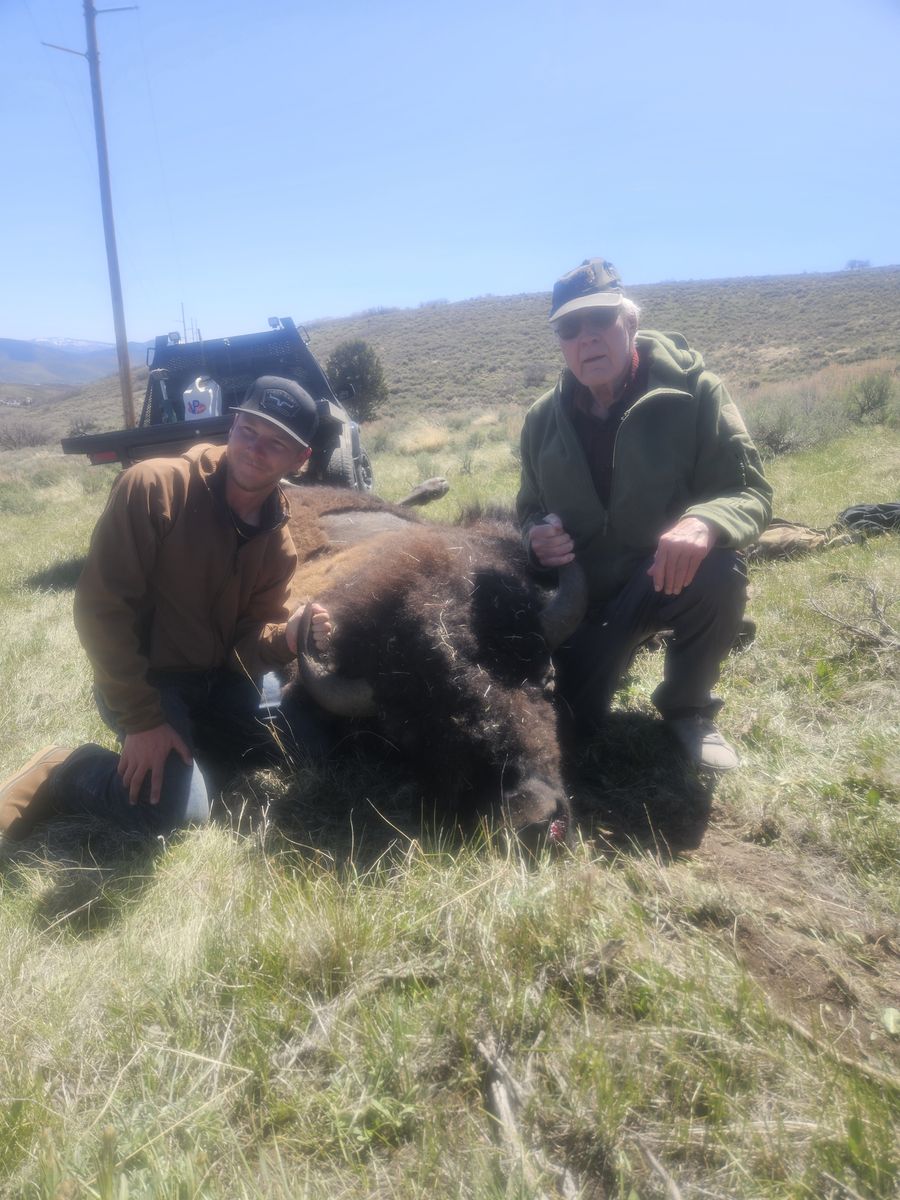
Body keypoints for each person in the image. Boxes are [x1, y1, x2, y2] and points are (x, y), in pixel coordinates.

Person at [0, 376, 332, 841]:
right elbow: (101, 611)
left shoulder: (279, 545)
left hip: (219, 683)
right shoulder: (154, 487)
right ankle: (66, 769)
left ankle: (193, 750)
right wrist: (143, 720)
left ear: (301, 458)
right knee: (175, 812)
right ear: (232, 424)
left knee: (309, 746)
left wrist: (286, 638)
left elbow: (245, 647)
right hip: (151, 683)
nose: (255, 449)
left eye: (276, 443)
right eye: (249, 431)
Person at [517, 258, 772, 770]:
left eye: (600, 321)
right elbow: (527, 510)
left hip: (663, 578)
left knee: (719, 571)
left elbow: (748, 492)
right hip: (584, 601)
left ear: (629, 323)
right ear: (560, 343)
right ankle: (612, 654)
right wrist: (534, 539)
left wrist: (705, 522)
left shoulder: (696, 391)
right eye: (570, 328)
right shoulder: (541, 420)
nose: (586, 339)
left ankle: (688, 708)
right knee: (570, 729)